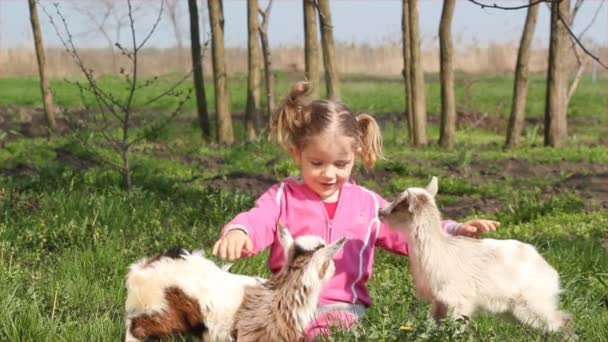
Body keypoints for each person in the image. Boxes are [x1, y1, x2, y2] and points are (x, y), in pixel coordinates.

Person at [212, 81, 499, 340]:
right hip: (284, 302)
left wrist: (455, 229)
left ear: (356, 156)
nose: (328, 174)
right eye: (316, 163)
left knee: (327, 336)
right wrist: (239, 232)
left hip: (341, 308)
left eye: (341, 164)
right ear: (297, 155)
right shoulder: (283, 196)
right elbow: (257, 219)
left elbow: (412, 231)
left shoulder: (368, 204)